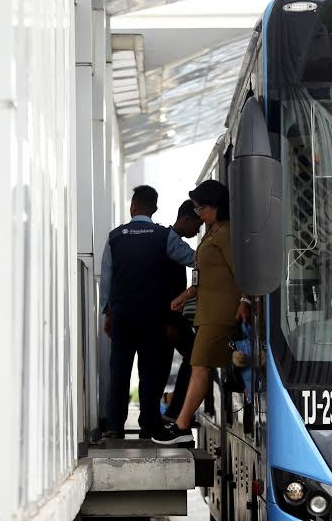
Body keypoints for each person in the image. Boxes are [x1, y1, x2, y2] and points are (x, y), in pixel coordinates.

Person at [152, 179, 249, 445]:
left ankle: (181, 427)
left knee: (200, 367)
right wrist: (184, 296)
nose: (198, 215)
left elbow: (241, 272)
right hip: (206, 311)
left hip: (220, 312)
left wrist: (245, 301)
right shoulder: (211, 231)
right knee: (199, 366)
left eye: (201, 209)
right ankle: (180, 425)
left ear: (215, 206)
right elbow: (201, 274)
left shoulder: (226, 233)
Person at [100, 185, 195, 439]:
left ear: (133, 206)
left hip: (122, 315)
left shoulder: (115, 237)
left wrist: (107, 312)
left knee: (119, 369)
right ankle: (149, 424)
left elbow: (107, 278)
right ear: (154, 208)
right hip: (153, 316)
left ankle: (114, 427)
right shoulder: (163, 236)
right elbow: (194, 259)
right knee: (149, 371)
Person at [162, 200, 203, 423]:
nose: (197, 230)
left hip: (173, 317)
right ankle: (175, 411)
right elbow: (197, 259)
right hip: (171, 318)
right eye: (196, 225)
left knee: (190, 358)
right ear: (186, 219)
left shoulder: (169, 240)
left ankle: (175, 410)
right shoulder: (171, 241)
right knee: (195, 357)